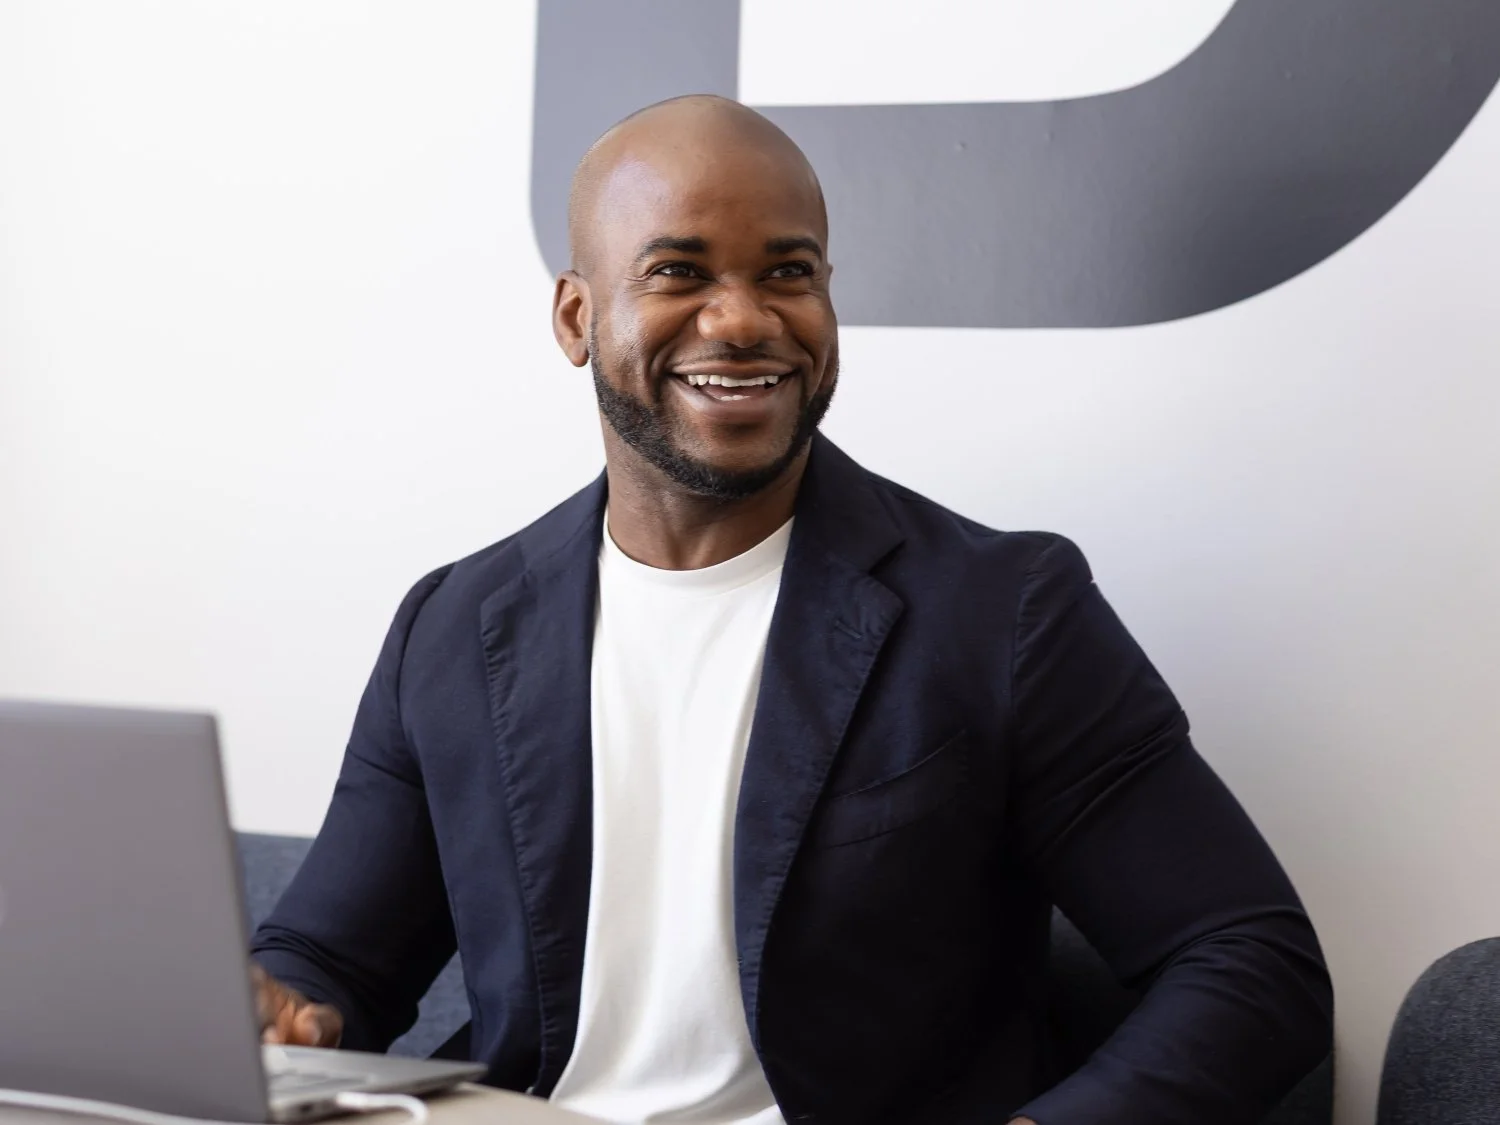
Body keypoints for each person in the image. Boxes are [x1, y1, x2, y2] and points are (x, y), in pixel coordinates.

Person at [251, 95, 1333, 1125]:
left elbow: (1249, 963)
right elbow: (335, 964)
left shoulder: (1003, 613)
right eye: (678, 271)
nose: (742, 319)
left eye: (789, 273)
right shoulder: (454, 624)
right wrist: (275, 1004)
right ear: (578, 317)